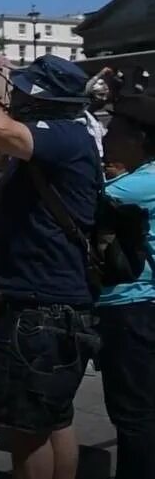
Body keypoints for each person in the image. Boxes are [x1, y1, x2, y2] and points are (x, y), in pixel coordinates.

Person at [0, 27, 100, 479]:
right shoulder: (56, 141)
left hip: (41, 308)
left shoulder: (62, 139)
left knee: (28, 429)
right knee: (55, 420)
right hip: (49, 302)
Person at [94, 94, 155, 479]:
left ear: (139, 138)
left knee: (133, 415)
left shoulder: (135, 185)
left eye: (113, 128)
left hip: (133, 307)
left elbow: (83, 202)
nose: (104, 134)